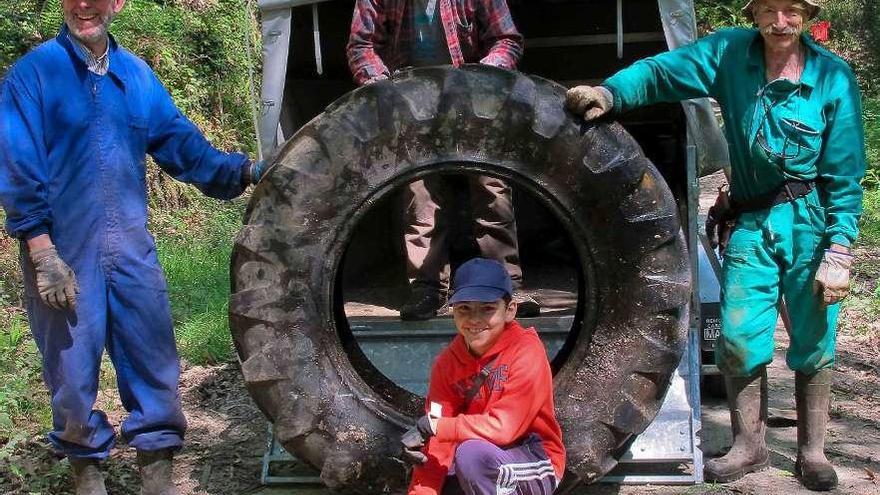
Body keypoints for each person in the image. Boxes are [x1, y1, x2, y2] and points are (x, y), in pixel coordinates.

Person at [565, 0, 864, 490]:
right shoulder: (729, 54)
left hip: (811, 222)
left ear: (807, 16)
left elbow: (846, 171)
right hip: (751, 221)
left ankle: (812, 452)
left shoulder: (832, 77)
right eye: (769, 9)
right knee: (739, 337)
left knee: (814, 338)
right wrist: (611, 92)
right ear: (754, 13)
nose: (780, 22)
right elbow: (665, 71)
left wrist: (840, 248)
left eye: (792, 10)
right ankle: (749, 446)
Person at [0, 0, 264, 493]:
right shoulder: (33, 77)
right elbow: (17, 168)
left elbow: (182, 146)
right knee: (71, 374)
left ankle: (157, 475)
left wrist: (245, 171)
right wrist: (42, 252)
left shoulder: (135, 77)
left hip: (130, 249)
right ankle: (87, 475)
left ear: (117, 4)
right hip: (63, 253)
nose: (85, 5)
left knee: (153, 361)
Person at [347, 0, 540, 320]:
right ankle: (428, 289)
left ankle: (505, 285)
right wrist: (384, 88)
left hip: (473, 98)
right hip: (410, 102)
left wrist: (482, 75)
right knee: (418, 191)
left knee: (491, 185)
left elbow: (506, 39)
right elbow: (361, 46)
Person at [399, 257, 565, 494]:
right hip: (477, 455)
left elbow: (504, 427)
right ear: (453, 311)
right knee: (444, 470)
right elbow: (437, 441)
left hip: (534, 457)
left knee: (472, 457)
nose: (474, 319)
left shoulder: (526, 351)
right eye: (464, 308)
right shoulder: (446, 364)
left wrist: (437, 427)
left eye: (487, 308)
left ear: (510, 310)